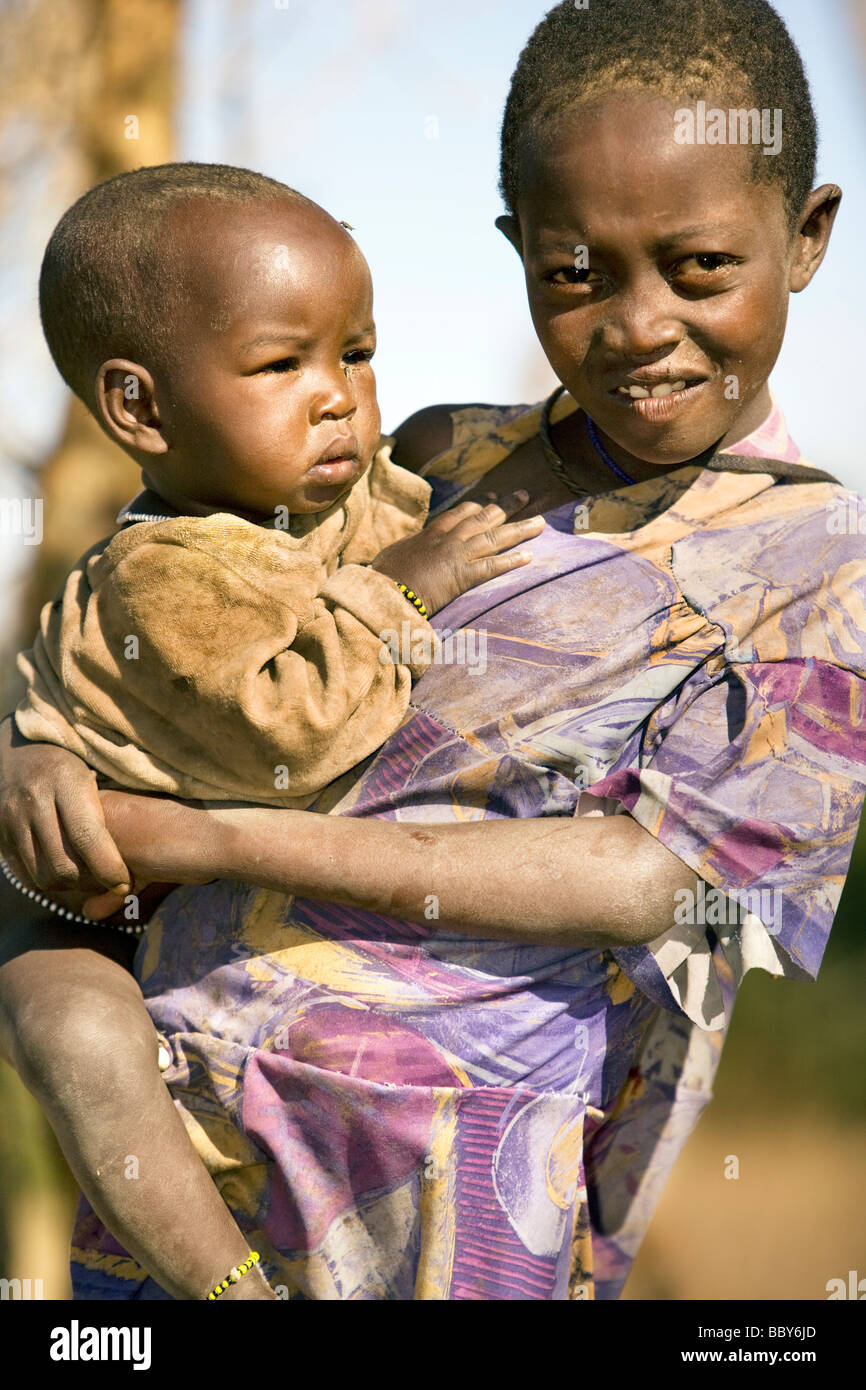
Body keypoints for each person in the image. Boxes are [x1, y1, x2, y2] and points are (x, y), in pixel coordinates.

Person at [1, 0, 864, 1300]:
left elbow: (657, 884)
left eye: (697, 269)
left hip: (451, 1181)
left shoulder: (814, 567)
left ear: (800, 238)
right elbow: (202, 635)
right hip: (192, 1132)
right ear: (519, 246)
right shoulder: (442, 456)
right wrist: (36, 759)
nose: (637, 325)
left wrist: (215, 839)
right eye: (577, 271)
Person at [0, 163, 544, 1301]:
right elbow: (290, 733)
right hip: (76, 902)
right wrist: (402, 589)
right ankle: (223, 1285)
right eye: (280, 364)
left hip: (193, 891)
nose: (339, 394)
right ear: (140, 409)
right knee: (70, 1031)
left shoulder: (349, 499)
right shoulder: (165, 571)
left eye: (355, 351)